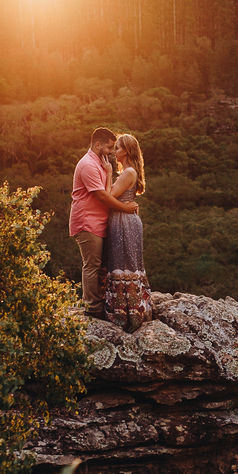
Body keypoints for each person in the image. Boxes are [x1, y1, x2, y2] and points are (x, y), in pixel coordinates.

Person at [69, 127, 138, 318]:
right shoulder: (88, 165)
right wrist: (126, 208)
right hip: (87, 221)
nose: (111, 152)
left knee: (102, 266)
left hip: (101, 222)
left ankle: (105, 302)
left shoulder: (100, 162)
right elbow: (102, 196)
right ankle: (93, 308)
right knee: (92, 265)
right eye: (108, 148)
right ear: (97, 145)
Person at [103, 133, 153, 332]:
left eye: (117, 148)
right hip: (122, 219)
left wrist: (108, 173)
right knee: (121, 262)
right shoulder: (129, 172)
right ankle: (126, 311)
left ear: (126, 150)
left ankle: (128, 314)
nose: (114, 152)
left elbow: (108, 196)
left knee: (125, 263)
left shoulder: (128, 172)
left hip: (124, 221)